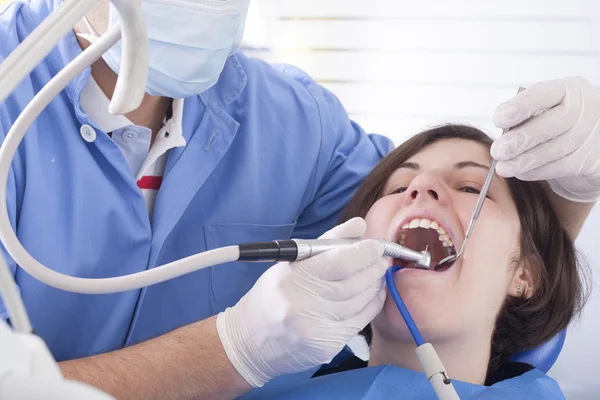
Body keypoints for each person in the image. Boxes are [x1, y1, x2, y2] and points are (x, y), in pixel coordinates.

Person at [1, 0, 600, 396]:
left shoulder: (293, 122)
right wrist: (235, 348)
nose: (421, 188)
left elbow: (510, 267)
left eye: (470, 186)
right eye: (403, 182)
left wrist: (575, 184)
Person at [240, 124, 589, 399]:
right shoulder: (246, 387)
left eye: (470, 187)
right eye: (397, 187)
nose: (420, 185)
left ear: (525, 275)